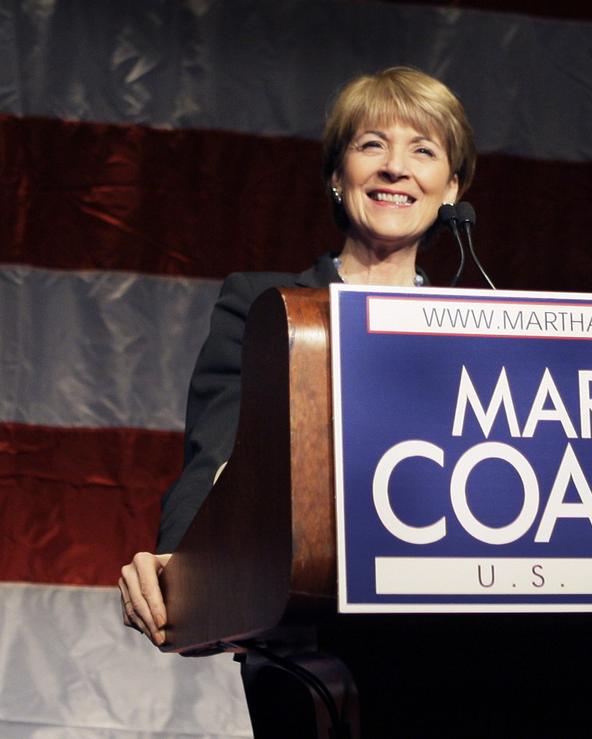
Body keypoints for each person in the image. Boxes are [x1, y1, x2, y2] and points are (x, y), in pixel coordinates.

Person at [118, 66, 476, 646]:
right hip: (302, 633)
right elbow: (219, 454)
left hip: (449, 633)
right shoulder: (264, 307)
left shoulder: (480, 329)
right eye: (372, 145)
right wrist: (179, 559)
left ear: (451, 187)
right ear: (339, 175)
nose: (395, 167)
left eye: (423, 150)